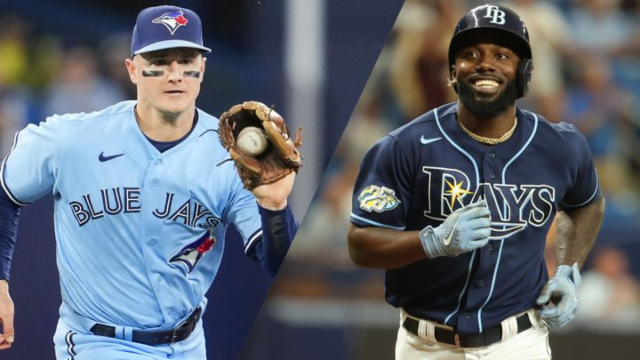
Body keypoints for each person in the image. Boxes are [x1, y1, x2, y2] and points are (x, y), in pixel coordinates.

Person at [0, 5, 298, 359]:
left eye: (186, 60)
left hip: (188, 345)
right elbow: (5, 192)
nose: (175, 75)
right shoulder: (72, 139)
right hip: (98, 342)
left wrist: (276, 208)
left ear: (202, 68)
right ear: (132, 69)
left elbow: (278, 263)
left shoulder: (229, 155)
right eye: (160, 60)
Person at [348, 4, 605, 359]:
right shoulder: (403, 146)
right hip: (426, 346)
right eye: (470, 54)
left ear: (524, 74)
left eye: (502, 54)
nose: (485, 63)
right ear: (452, 72)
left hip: (520, 342)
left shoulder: (561, 146)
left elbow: (587, 203)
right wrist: (431, 242)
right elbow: (360, 243)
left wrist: (566, 268)